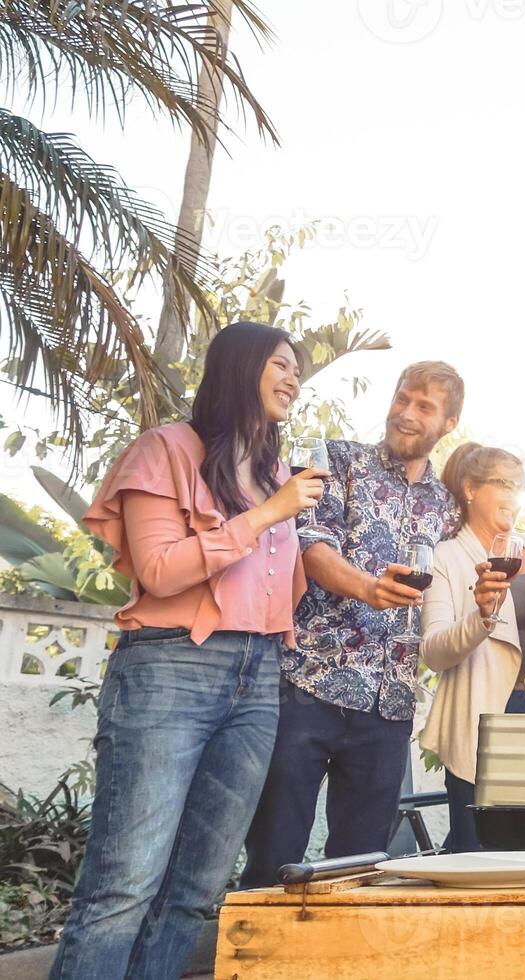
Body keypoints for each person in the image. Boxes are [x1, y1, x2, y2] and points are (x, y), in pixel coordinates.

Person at [51, 322, 324, 980]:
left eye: (298, 370)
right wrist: (267, 514)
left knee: (196, 891)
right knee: (123, 887)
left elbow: (281, 590)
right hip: (170, 668)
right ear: (239, 366)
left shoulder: (274, 474)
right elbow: (160, 570)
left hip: (257, 677)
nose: (293, 379)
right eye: (280, 365)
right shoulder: (166, 449)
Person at [241, 362, 463, 888]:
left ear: (449, 422)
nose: (405, 413)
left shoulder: (448, 505)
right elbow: (310, 546)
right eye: (401, 399)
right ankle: (256, 967)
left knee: (360, 865)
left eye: (424, 406)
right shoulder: (338, 461)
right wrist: (369, 587)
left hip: (389, 706)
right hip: (308, 687)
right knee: (274, 850)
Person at [419, 443, 525, 852]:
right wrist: (481, 616)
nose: (514, 494)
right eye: (502, 483)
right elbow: (433, 651)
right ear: (470, 489)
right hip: (484, 716)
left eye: (520, 485)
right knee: (477, 858)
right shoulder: (446, 556)